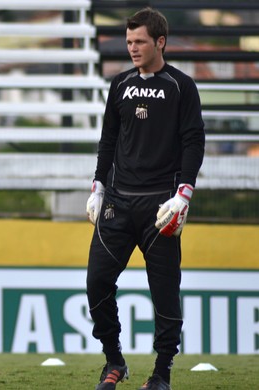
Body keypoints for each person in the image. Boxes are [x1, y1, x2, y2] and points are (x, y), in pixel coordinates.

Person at [86, 7, 205, 390]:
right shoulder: (119, 84)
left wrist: (183, 194)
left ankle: (162, 373)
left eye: (140, 41)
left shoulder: (181, 86)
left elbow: (193, 141)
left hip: (161, 207)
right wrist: (97, 185)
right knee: (97, 283)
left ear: (160, 42)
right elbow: (107, 140)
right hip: (117, 205)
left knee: (165, 294)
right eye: (129, 42)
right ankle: (114, 361)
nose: (133, 48)